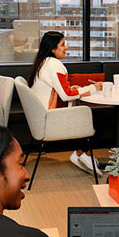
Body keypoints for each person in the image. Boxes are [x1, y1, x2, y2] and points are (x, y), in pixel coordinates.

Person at [27, 31, 106, 176]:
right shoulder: (54, 65)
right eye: (63, 45)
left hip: (43, 117)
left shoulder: (43, 63)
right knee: (100, 120)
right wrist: (92, 88)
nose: (66, 48)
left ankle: (85, 154)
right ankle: (81, 153)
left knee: (93, 117)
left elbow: (61, 90)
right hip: (52, 119)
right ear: (52, 48)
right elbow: (66, 95)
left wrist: (77, 89)